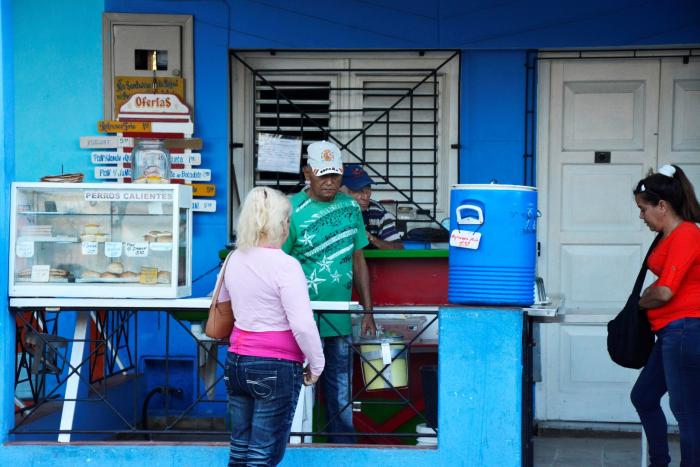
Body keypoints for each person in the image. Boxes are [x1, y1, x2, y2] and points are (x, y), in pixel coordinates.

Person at [218, 186, 325, 466]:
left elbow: (222, 302)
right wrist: (316, 364)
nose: (289, 225)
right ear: (277, 223)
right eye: (287, 219)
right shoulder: (286, 265)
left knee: (240, 449)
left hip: (236, 363)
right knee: (263, 454)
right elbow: (302, 324)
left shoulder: (233, 259)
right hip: (275, 366)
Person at [282, 141, 376, 444]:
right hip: (301, 317)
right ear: (307, 172)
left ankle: (342, 449)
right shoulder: (290, 209)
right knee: (299, 383)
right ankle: (297, 445)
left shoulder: (350, 207)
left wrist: (367, 311)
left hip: (340, 316)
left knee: (340, 384)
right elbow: (278, 264)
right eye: (323, 175)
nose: (330, 182)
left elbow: (359, 258)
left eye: (335, 175)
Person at [630, 164, 700, 467]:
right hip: (672, 332)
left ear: (662, 205)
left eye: (644, 209)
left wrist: (641, 301)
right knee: (644, 396)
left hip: (685, 330)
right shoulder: (669, 236)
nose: (641, 216)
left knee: (686, 411)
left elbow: (666, 291)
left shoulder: (685, 234)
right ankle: (659, 461)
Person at [340, 163, 404, 250]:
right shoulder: (332, 211)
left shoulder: (377, 211)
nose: (365, 197)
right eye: (358, 191)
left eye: (368, 190)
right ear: (342, 192)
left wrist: (371, 238)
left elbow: (398, 248)